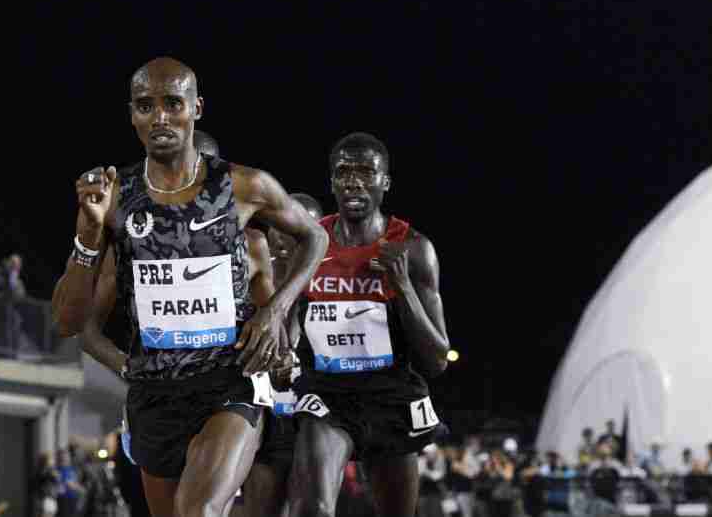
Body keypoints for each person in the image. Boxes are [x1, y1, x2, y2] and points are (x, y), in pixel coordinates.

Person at [51, 57, 328, 517]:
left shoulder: (243, 186)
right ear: (132, 115)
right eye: (145, 106)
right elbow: (68, 323)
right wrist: (88, 235)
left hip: (228, 382)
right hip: (155, 397)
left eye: (172, 103)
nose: (159, 116)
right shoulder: (115, 197)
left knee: (197, 510)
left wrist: (276, 310)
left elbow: (314, 237)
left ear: (196, 108)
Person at [288, 132, 450, 517]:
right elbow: (289, 317)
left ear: (385, 182)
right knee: (311, 508)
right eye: (343, 172)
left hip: (390, 393)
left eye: (366, 171)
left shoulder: (413, 248)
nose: (354, 181)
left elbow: (438, 359)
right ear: (331, 183)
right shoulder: (311, 242)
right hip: (328, 392)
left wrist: (404, 286)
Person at [242, 193, 323, 517]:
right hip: (260, 414)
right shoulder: (247, 278)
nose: (288, 237)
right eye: (283, 226)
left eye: (302, 229)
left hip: (313, 419)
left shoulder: (330, 290)